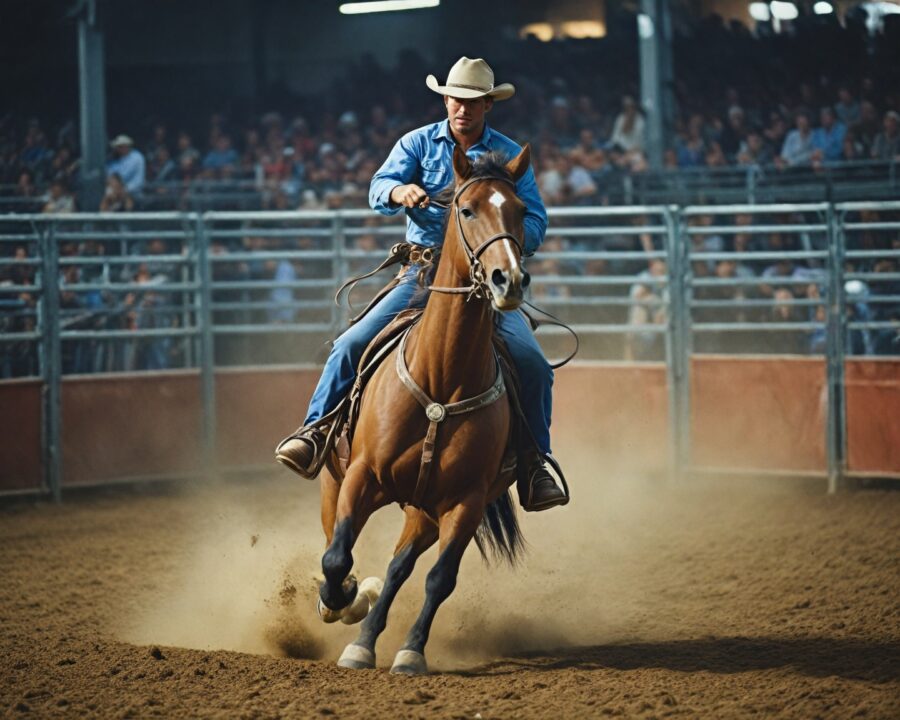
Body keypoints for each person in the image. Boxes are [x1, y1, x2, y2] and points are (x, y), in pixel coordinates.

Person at [276, 56, 567, 511]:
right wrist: (398, 192)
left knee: (533, 365)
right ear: (445, 99)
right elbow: (379, 186)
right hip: (421, 272)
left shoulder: (511, 157)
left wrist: (502, 243)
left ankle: (534, 464)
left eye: (472, 101)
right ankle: (314, 432)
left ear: (488, 105)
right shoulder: (416, 144)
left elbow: (536, 220)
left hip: (485, 282)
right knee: (351, 344)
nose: (462, 108)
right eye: (455, 98)